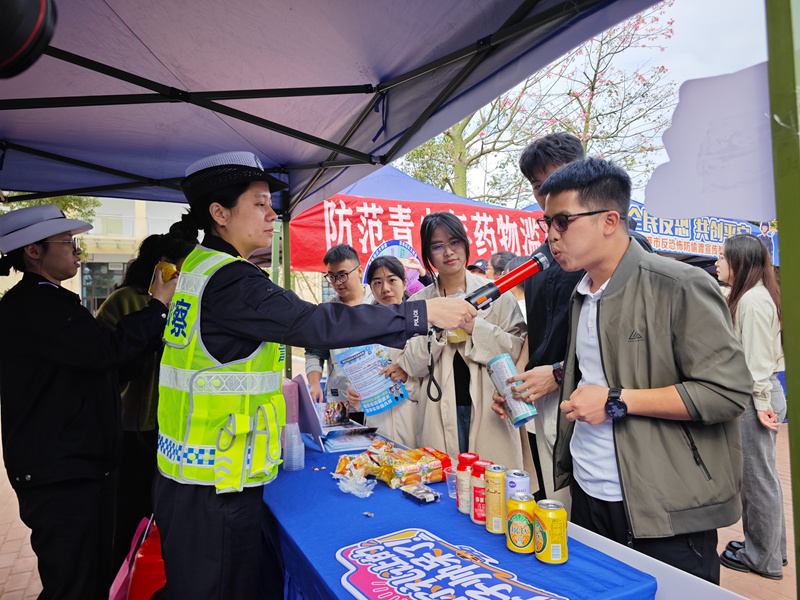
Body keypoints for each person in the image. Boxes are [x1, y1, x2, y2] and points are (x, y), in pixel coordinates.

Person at [153, 151, 475, 599]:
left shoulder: (197, 268)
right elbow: (318, 323)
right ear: (219, 213)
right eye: (260, 204)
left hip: (192, 473)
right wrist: (421, 313)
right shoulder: (232, 280)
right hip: (216, 487)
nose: (271, 216)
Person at [500, 158, 752, 584]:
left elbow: (728, 393)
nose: (551, 236)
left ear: (609, 221)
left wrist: (616, 400)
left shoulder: (679, 285)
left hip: (666, 508)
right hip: (587, 492)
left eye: (562, 221)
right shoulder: (583, 294)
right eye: (547, 223)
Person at [0, 205, 177, 600]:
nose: (77, 252)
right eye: (69, 243)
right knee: (74, 583)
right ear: (33, 250)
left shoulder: (52, 302)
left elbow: (101, 371)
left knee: (90, 576)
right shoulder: (34, 305)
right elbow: (102, 352)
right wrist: (157, 306)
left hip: (74, 468)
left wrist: (144, 346)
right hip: (59, 473)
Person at [506, 132, 653, 509]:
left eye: (557, 180)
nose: (548, 194)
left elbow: (630, 344)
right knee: (554, 503)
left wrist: (557, 373)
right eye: (539, 188)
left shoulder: (627, 251)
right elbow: (537, 332)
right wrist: (515, 379)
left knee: (596, 508)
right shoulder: (540, 258)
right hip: (543, 401)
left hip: (603, 404)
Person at [397, 211, 531, 470]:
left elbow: (517, 351)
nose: (448, 252)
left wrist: (475, 328)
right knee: (445, 487)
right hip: (437, 411)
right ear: (428, 253)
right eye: (437, 246)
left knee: (493, 488)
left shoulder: (498, 295)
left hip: (491, 409)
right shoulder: (417, 304)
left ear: (466, 244)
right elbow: (412, 365)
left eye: (454, 242)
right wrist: (437, 326)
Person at [95, 233, 195, 572]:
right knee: (130, 515)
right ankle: (122, 580)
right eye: (180, 270)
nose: (185, 278)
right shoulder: (124, 301)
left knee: (164, 514)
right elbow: (107, 362)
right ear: (160, 267)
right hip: (131, 428)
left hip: (170, 428)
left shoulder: (189, 302)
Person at [716, 234, 787, 580]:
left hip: (756, 396)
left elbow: (757, 361)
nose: (717, 262)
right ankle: (773, 551)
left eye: (722, 257)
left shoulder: (753, 302)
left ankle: (762, 559)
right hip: (759, 394)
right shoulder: (752, 295)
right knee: (764, 479)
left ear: (740, 262)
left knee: (757, 481)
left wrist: (759, 404)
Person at [347, 255, 419, 447]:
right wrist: (354, 389)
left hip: (414, 426)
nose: (385, 288)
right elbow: (360, 374)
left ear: (404, 284)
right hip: (378, 430)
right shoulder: (364, 328)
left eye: (392, 280)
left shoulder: (420, 324)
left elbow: (436, 380)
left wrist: (408, 376)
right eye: (377, 282)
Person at [304, 244, 372, 423]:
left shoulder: (378, 302)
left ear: (359, 271)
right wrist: (314, 384)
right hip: (338, 400)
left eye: (342, 275)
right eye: (331, 277)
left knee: (379, 447)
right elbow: (315, 351)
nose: (337, 282)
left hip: (377, 398)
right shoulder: (326, 310)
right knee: (340, 446)